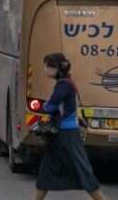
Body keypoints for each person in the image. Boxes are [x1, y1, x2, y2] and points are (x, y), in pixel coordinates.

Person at [34, 53, 106, 200]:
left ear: (56, 68)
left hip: (67, 135)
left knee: (82, 169)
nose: (45, 69)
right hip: (61, 134)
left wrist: (47, 105)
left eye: (48, 66)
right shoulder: (65, 83)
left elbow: (49, 106)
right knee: (46, 170)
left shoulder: (64, 85)